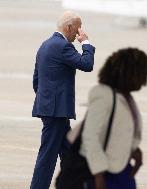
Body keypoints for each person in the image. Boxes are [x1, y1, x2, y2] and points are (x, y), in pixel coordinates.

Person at [31, 11, 95, 189]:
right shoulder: (62, 46)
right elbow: (86, 64)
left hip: (52, 109)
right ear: (69, 27)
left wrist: (47, 101)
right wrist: (86, 43)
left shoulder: (45, 45)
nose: (79, 33)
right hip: (56, 111)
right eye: (78, 28)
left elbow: (37, 80)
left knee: (69, 153)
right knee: (47, 157)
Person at [76, 48, 147, 189]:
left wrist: (134, 149)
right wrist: (98, 176)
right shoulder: (104, 96)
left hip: (122, 169)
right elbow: (90, 136)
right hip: (103, 174)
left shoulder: (126, 97)